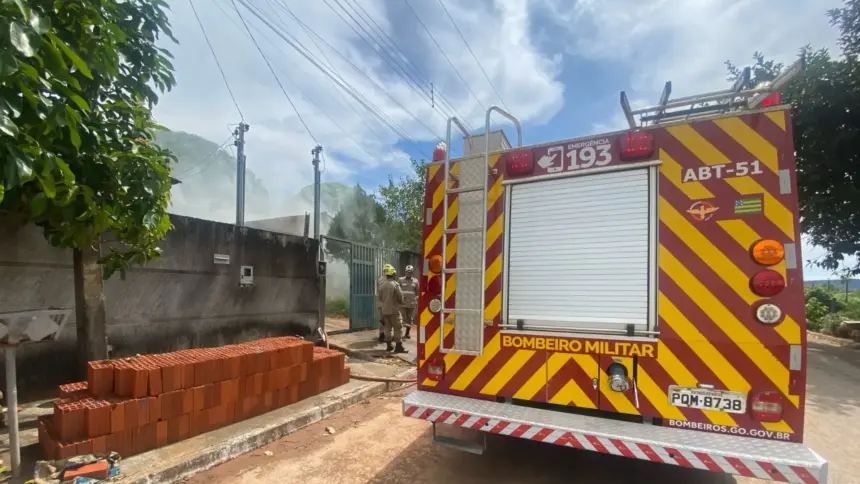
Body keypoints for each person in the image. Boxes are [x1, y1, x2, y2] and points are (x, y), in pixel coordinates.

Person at [377, 265, 407, 353]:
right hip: (394, 311)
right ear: (393, 274)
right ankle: (398, 347)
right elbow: (400, 298)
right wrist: (401, 301)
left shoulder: (382, 286)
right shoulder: (395, 285)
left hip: (385, 311)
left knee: (387, 329)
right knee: (398, 328)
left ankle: (389, 346)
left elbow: (380, 298)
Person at [398, 265, 418, 340]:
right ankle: (399, 334)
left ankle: (407, 333)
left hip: (412, 304)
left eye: (410, 272)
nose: (408, 273)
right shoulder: (400, 280)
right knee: (402, 319)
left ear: (412, 273)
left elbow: (417, 292)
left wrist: (416, 299)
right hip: (402, 303)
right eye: (407, 272)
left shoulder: (415, 281)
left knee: (410, 319)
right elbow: (398, 290)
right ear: (405, 272)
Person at [375, 264, 393, 343]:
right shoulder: (390, 280)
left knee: (382, 319)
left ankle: (382, 335)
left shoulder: (379, 279)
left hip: (382, 303)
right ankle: (386, 335)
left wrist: (378, 304)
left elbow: (377, 293)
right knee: (388, 320)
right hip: (388, 303)